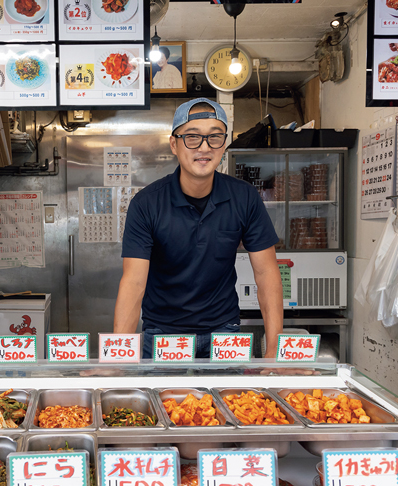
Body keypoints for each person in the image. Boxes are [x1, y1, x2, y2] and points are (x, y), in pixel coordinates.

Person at [113, 98, 284, 359]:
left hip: (224, 331)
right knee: (162, 400)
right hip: (163, 333)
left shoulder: (244, 198)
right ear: (174, 144)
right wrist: (117, 358)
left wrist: (274, 353)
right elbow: (134, 282)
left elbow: (267, 274)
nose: (204, 147)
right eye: (192, 137)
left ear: (224, 144)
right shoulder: (147, 203)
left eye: (215, 137)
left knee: (233, 401)